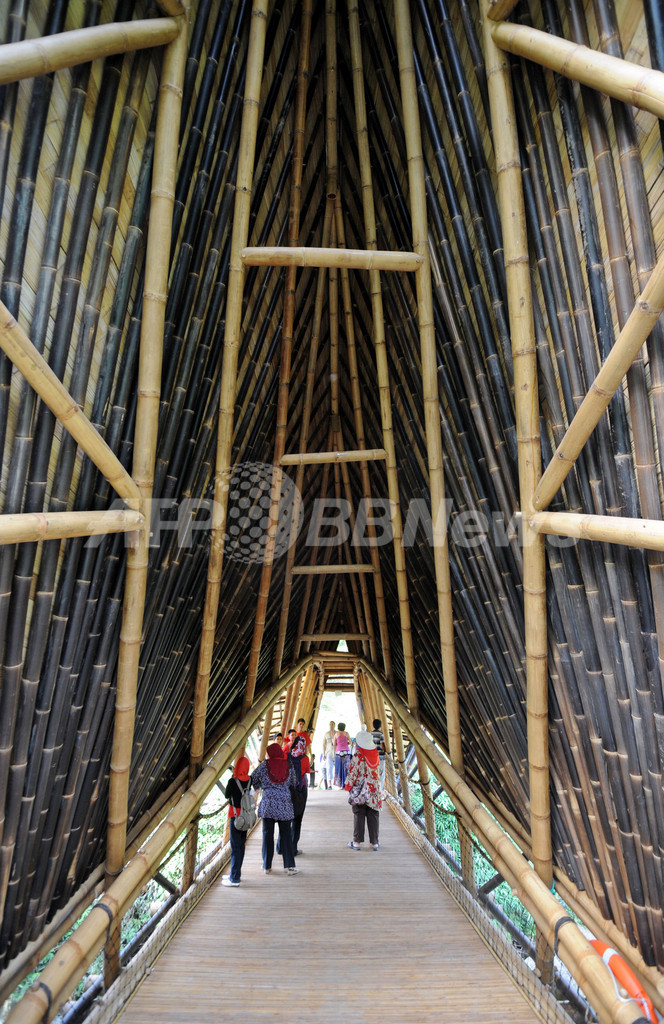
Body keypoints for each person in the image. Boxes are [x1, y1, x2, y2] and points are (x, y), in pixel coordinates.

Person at [250, 743, 299, 875]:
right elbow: (294, 782)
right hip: (284, 803)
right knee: (286, 835)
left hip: (268, 803)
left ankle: (267, 866)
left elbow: (253, 777)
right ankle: (289, 867)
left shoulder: (264, 765)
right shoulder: (288, 765)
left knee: (267, 834)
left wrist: (260, 786)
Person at [345, 729, 382, 850]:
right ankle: (375, 843)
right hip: (374, 789)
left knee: (359, 813)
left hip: (360, 790)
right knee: (373, 814)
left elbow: (354, 771)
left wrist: (348, 785)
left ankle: (356, 843)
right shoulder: (375, 753)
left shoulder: (359, 754)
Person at [222, 756, 252, 886]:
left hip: (235, 817)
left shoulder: (232, 781)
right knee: (241, 845)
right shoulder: (250, 779)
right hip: (246, 816)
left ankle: (234, 879)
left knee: (235, 847)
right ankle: (236, 873)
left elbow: (227, 795)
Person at [334, 722, 351, 788]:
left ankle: (340, 784)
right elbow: (350, 742)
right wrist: (346, 743)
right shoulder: (346, 734)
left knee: (339, 768)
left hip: (339, 753)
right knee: (346, 768)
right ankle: (346, 783)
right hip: (346, 752)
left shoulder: (336, 734)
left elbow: (334, 744)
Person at [371, 718, 387, 793]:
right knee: (382, 773)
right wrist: (385, 751)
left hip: (372, 757)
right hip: (380, 756)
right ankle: (380, 791)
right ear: (380, 726)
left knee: (373, 773)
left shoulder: (370, 734)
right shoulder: (381, 734)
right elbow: (382, 744)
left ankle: (373, 790)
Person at [322, 720, 336, 789]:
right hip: (328, 752)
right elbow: (323, 744)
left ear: (334, 725)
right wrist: (323, 754)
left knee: (337, 768)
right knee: (329, 768)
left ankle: (337, 783)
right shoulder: (326, 734)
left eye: (332, 724)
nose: (331, 726)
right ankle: (329, 784)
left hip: (336, 752)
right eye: (330, 724)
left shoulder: (337, 733)